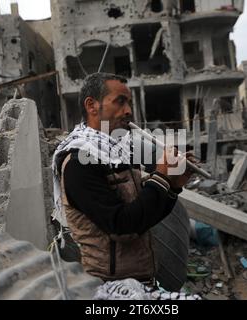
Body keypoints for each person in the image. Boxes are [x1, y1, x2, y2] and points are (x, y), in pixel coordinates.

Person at [52, 73, 194, 284]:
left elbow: (144, 218)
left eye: (128, 102)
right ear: (92, 106)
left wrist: (173, 185)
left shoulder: (118, 151)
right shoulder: (78, 161)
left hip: (140, 281)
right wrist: (162, 177)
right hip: (109, 287)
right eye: (120, 101)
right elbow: (123, 227)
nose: (128, 110)